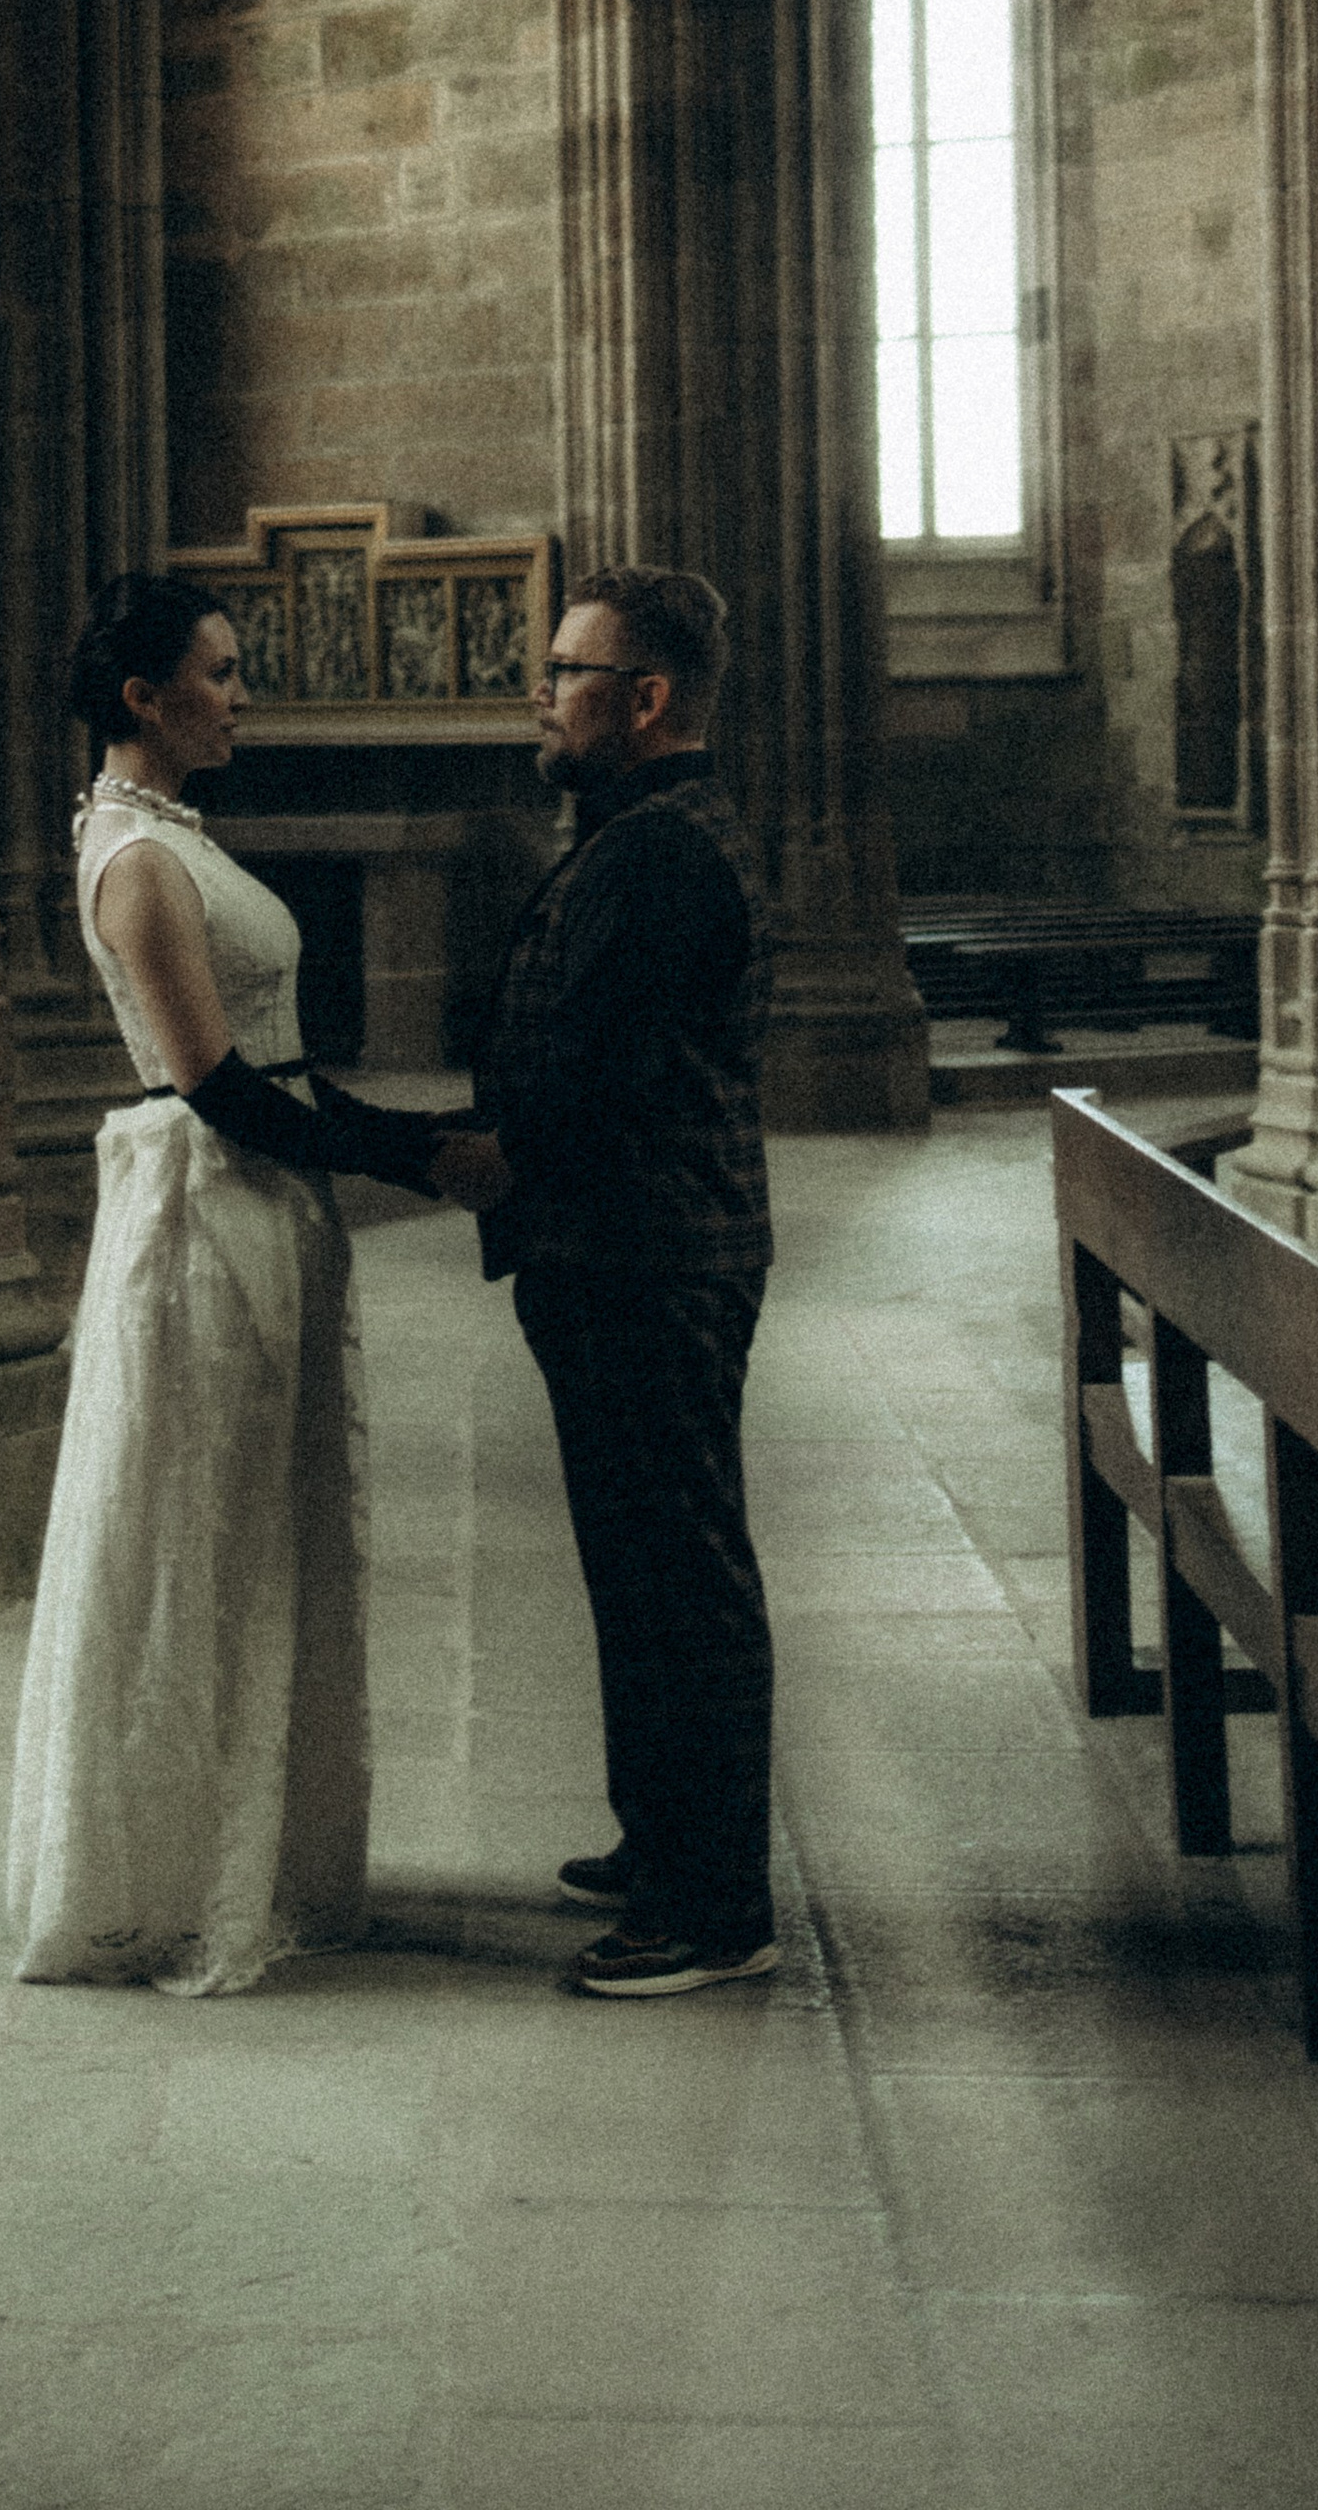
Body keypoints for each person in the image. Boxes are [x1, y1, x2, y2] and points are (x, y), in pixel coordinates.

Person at [8, 573, 465, 1994]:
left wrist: (407, 1148)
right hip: (213, 1213)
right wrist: (425, 1157)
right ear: (145, 696)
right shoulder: (135, 860)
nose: (242, 691)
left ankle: (257, 1842)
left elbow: (271, 1072)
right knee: (204, 1533)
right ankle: (176, 1871)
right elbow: (224, 1094)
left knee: (262, 1519)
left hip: (260, 1206)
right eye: (218, 670)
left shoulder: (167, 836)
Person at [435, 564, 778, 1999]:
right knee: (634, 1567)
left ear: (644, 698)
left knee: (678, 1575)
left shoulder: (659, 851)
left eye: (567, 672)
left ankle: (714, 1908)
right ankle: (666, 1839)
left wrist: (475, 1154)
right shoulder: (639, 830)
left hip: (650, 1254)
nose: (544, 692)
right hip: (623, 1250)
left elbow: (591, 1072)